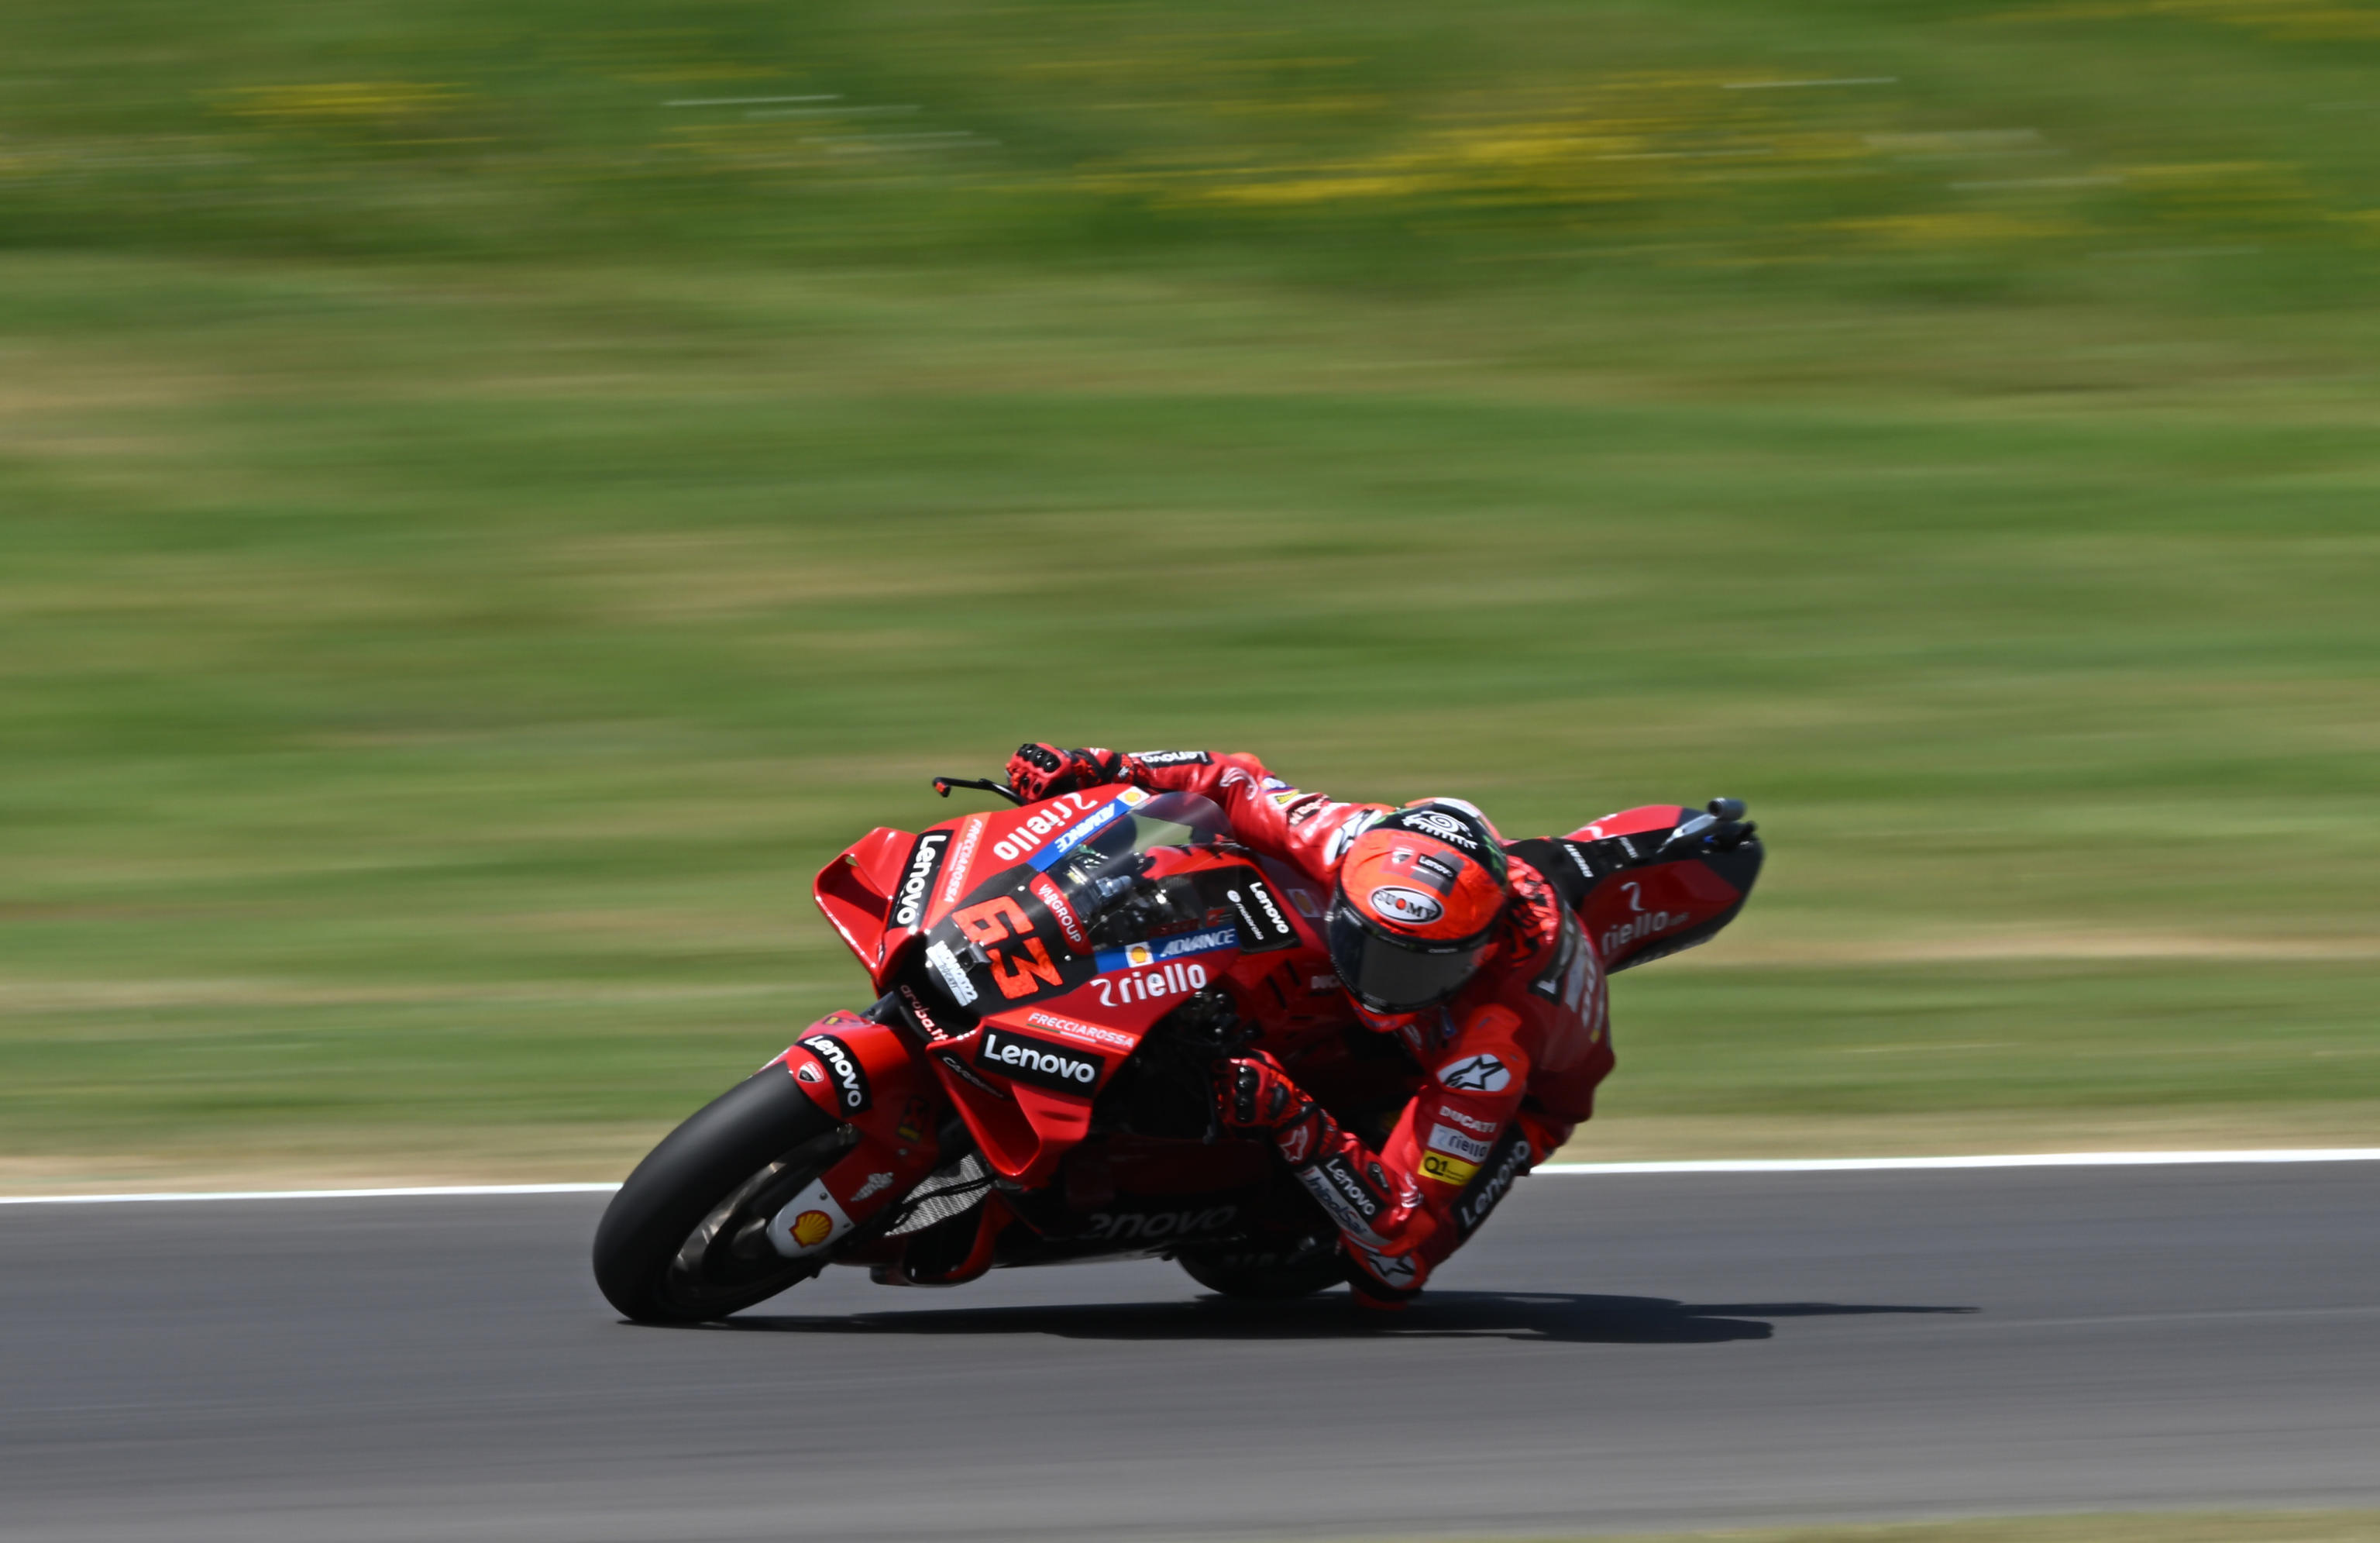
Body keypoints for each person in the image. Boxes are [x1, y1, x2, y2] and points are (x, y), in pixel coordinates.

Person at [1004, 743, 1615, 1308]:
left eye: (1414, 968)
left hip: (1524, 1099)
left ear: (1477, 956)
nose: (1382, 981)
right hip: (1379, 1010)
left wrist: (1290, 1114)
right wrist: (1104, 765)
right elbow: (1234, 780)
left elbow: (1400, 1226)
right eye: (1368, 946)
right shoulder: (1349, 838)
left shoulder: (1492, 1052)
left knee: (1390, 1273)